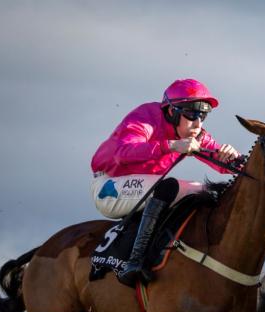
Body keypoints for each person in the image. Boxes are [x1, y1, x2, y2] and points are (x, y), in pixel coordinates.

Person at [91, 78, 240, 286]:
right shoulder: (146, 117)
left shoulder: (195, 133)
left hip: (144, 189)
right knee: (171, 186)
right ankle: (134, 263)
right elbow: (121, 154)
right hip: (109, 187)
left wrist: (233, 159)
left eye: (203, 115)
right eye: (191, 114)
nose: (198, 124)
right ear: (172, 112)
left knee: (208, 191)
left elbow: (224, 164)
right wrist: (170, 145)